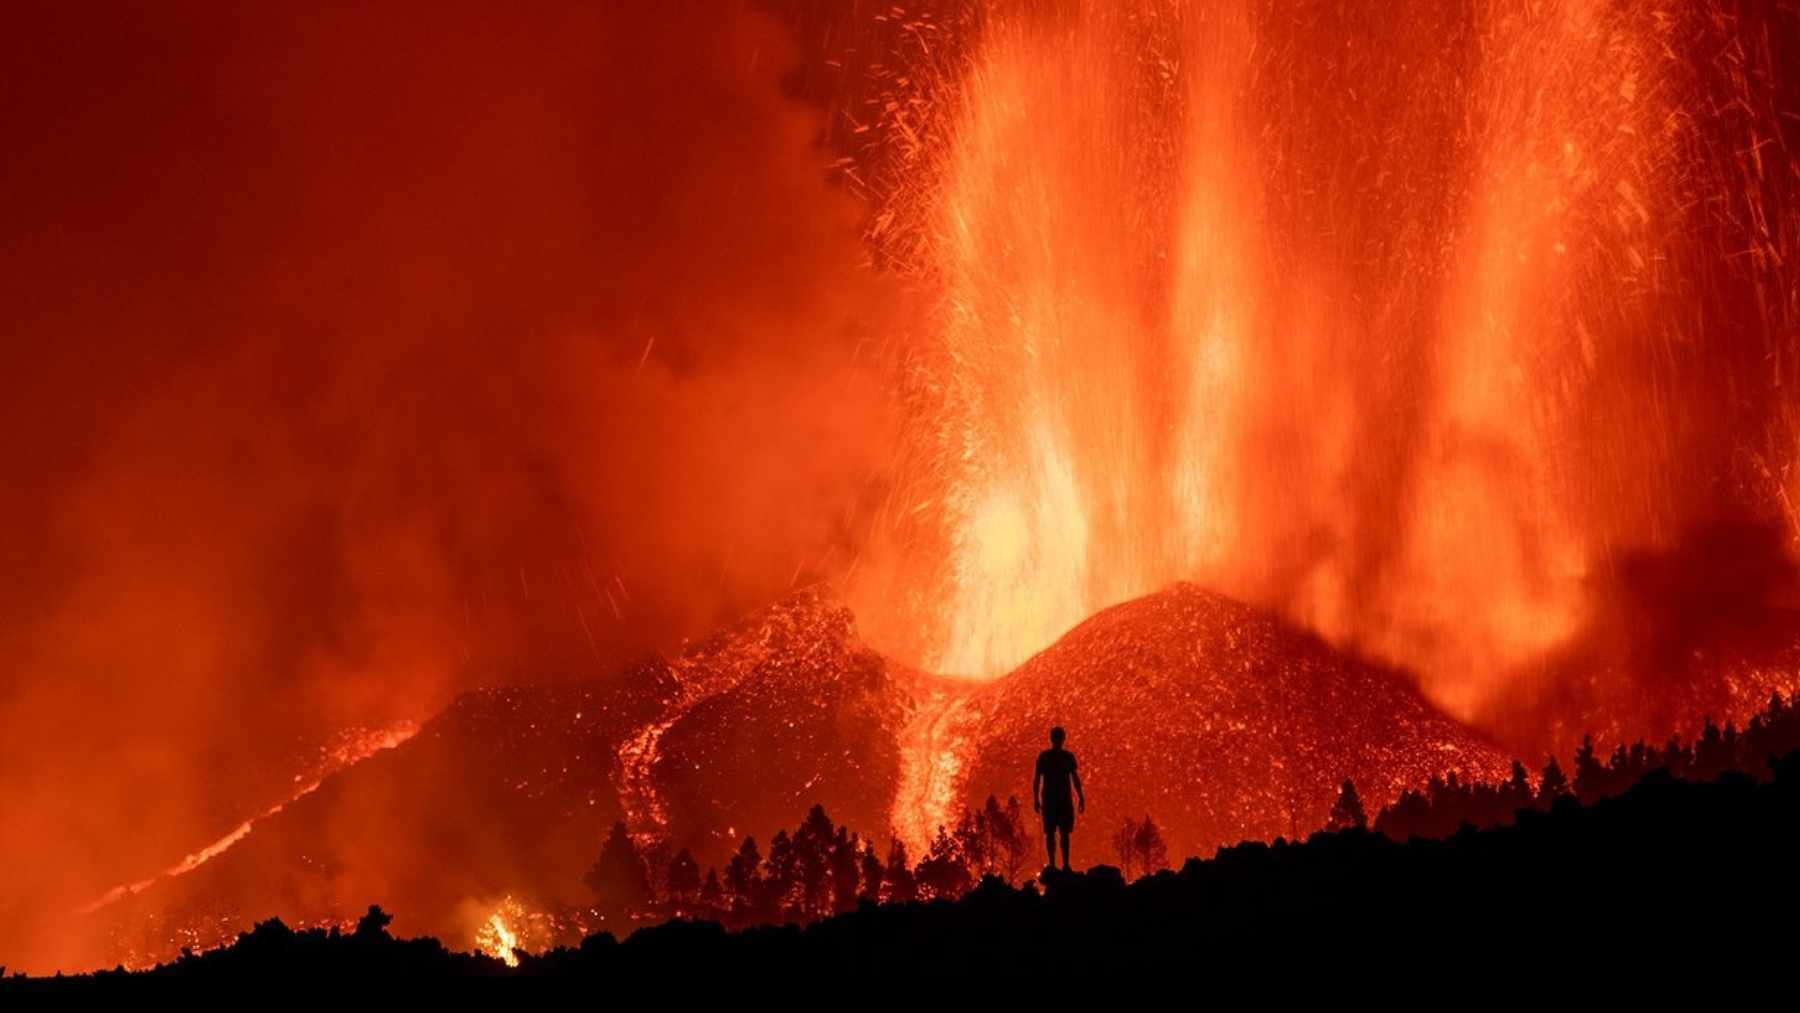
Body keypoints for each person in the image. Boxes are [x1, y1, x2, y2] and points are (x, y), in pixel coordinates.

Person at [1032, 726, 1084, 872]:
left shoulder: (1048, 757)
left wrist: (1036, 798)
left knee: (1058, 833)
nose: (1058, 740)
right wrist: (1081, 797)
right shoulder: (1064, 757)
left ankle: (1057, 864)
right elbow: (1075, 779)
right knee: (1058, 833)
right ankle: (1059, 864)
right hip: (1058, 800)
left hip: (1055, 800)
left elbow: (1037, 779)